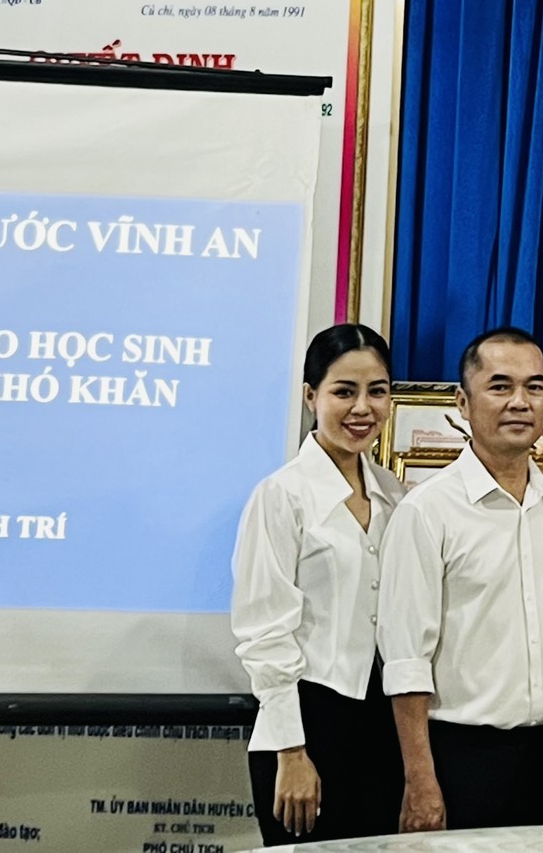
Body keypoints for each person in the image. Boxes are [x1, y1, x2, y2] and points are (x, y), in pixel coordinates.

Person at [381, 326, 543, 832]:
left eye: (534, 387)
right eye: (500, 386)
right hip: (459, 756)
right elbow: (406, 659)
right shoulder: (427, 510)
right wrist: (420, 778)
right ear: (463, 402)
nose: (520, 402)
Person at [229, 323, 407, 843]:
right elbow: (264, 632)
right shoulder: (281, 495)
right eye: (344, 392)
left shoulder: (395, 495)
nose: (362, 408)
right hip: (306, 722)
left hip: (381, 723)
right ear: (311, 396)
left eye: (377, 391)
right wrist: (292, 752)